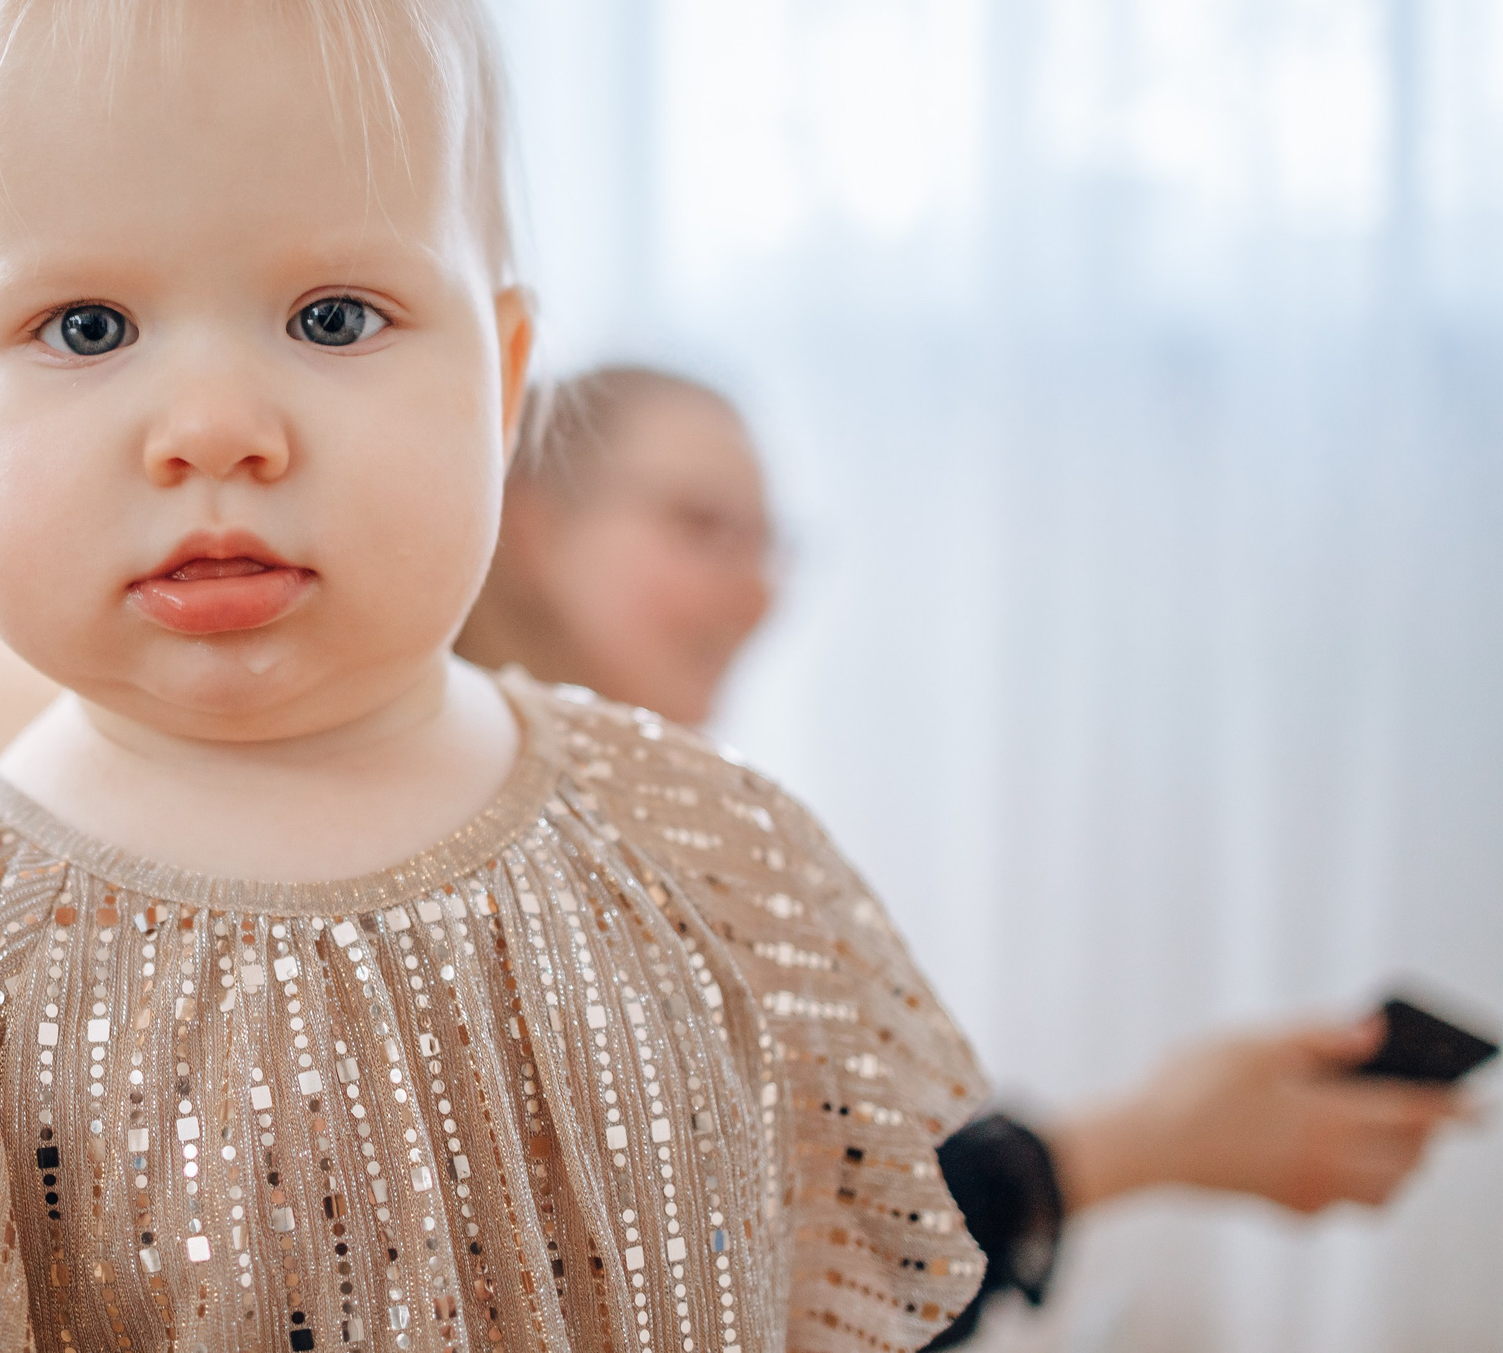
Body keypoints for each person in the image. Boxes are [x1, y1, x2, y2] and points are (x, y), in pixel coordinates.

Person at [0, 0, 995, 1353]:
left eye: (334, 315)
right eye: (86, 328)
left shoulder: (705, 852)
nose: (215, 424)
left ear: (504, 383)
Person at [456, 365, 1474, 1343]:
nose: (757, 591)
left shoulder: (652, 830)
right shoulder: (475, 857)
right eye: (701, 527)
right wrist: (1158, 1137)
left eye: (771, 544)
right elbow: (769, 1290)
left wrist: (1166, 1133)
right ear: (531, 522)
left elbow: (811, 1229)